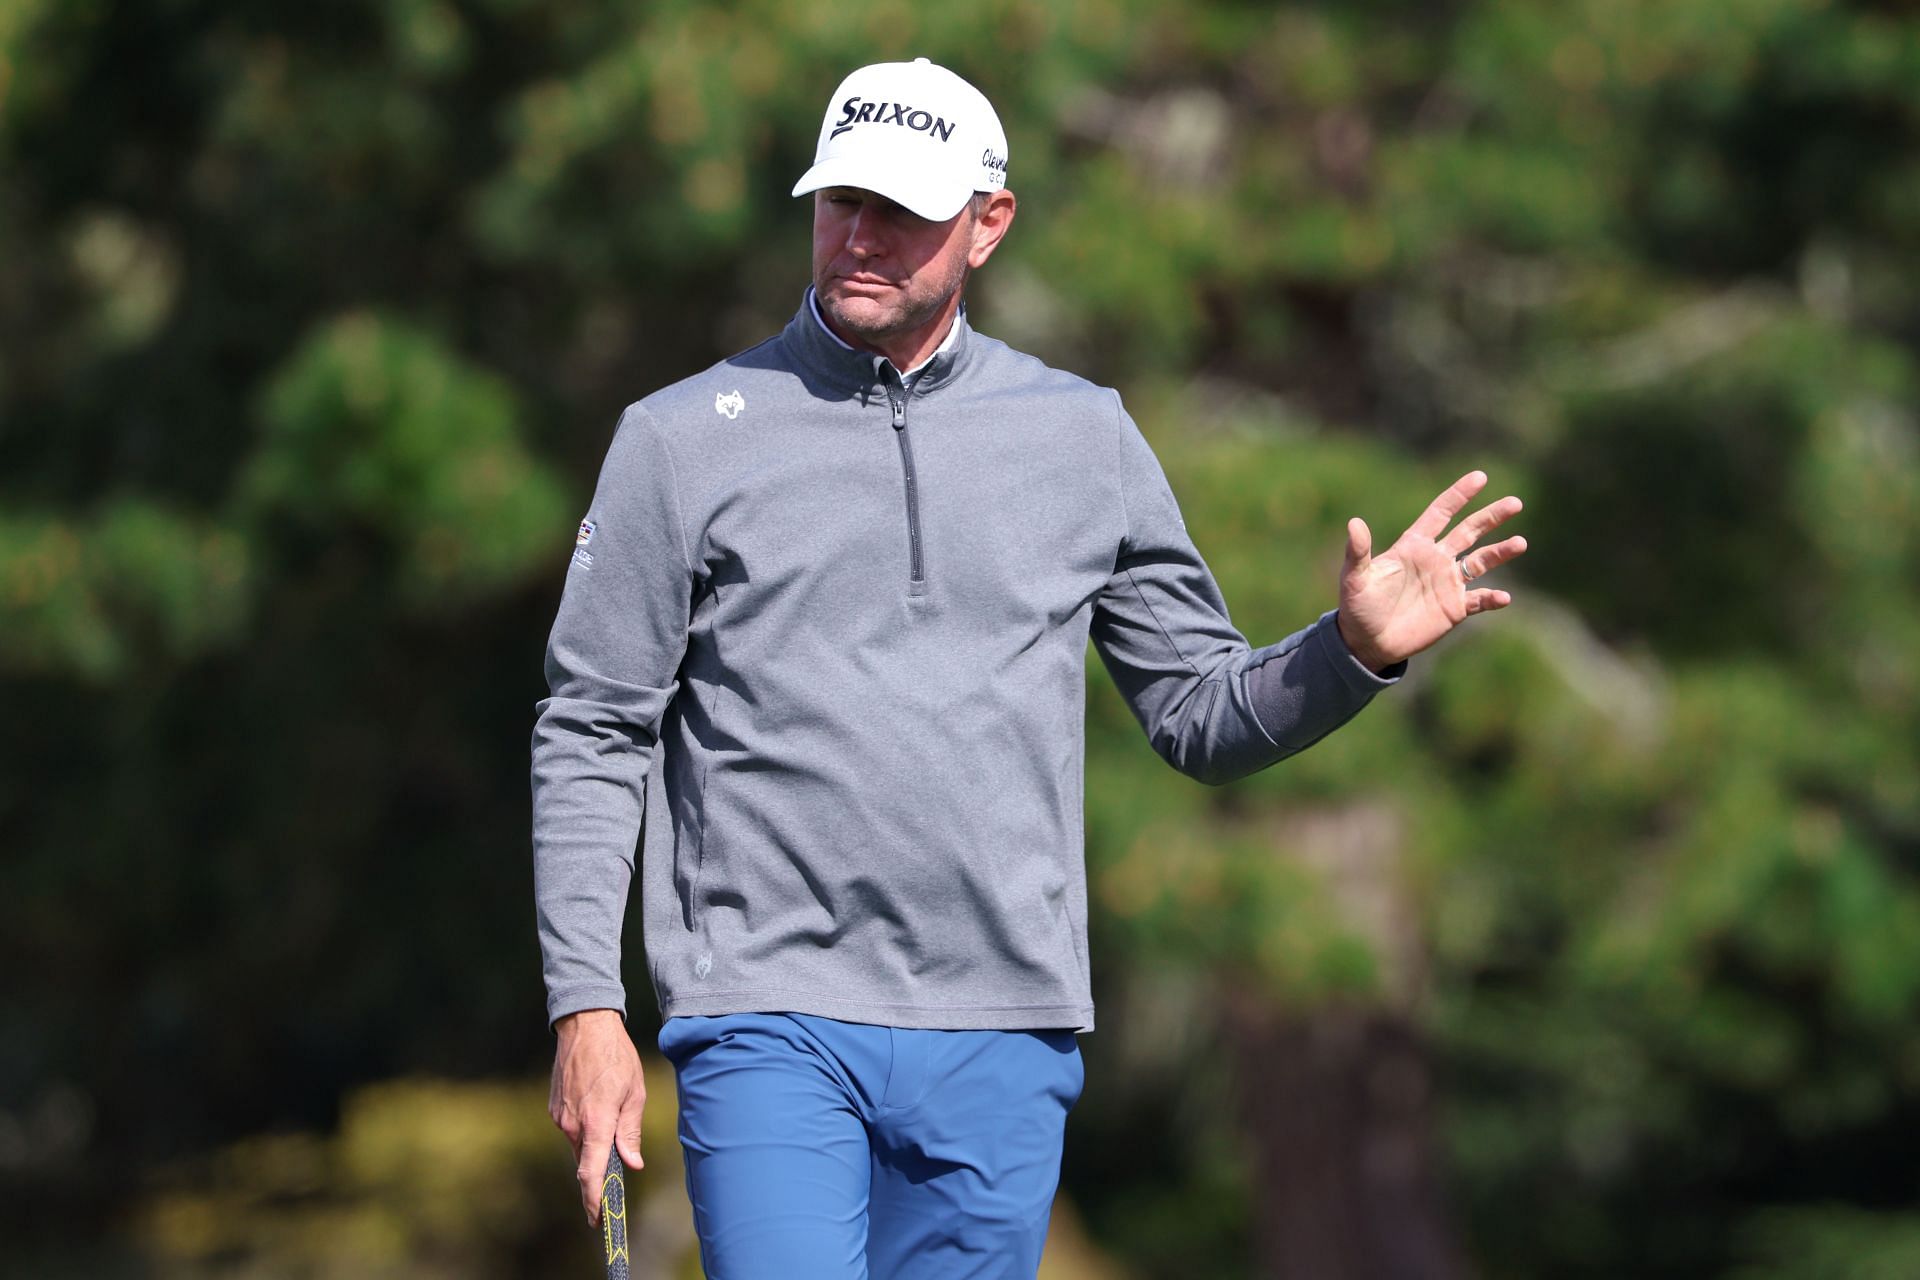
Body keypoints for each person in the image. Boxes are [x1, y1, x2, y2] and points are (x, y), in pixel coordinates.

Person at [532, 56, 1526, 1279]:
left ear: (988, 223)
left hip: (1003, 1029)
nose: (860, 235)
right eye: (841, 200)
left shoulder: (1082, 435)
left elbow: (1198, 714)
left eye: (903, 210)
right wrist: (588, 1007)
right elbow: (591, 726)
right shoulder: (682, 438)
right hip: (767, 1013)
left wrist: (1350, 654)